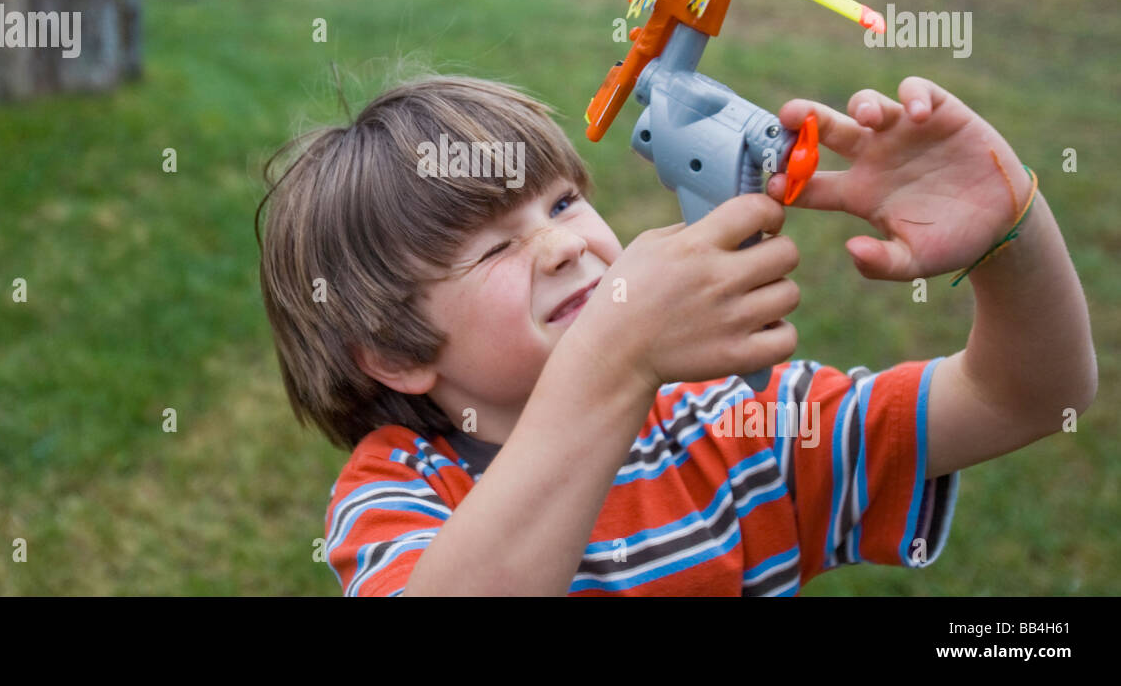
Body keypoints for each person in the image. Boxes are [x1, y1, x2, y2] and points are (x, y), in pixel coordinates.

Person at [256, 72, 1096, 595]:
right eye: (493, 249)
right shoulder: (398, 499)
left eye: (560, 203)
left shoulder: (734, 424)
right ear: (397, 353)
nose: (563, 244)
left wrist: (1006, 229)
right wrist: (613, 364)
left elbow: (1026, 397)